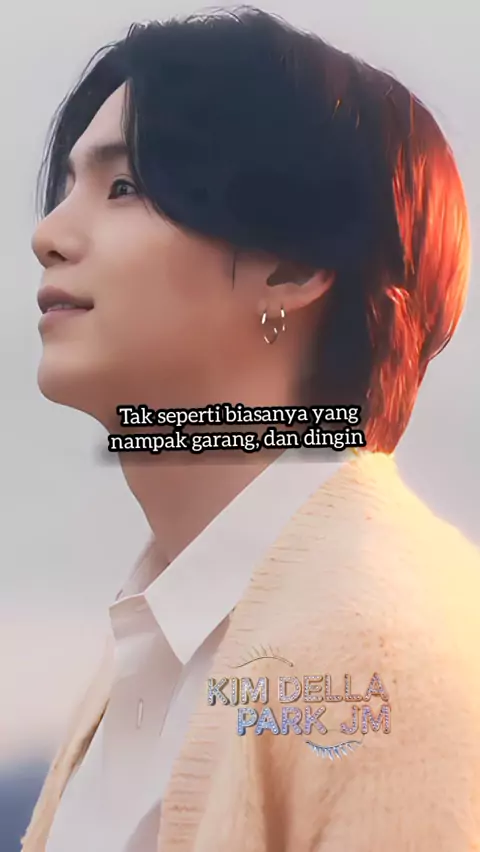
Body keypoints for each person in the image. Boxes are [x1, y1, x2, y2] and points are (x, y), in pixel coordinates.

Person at [23, 7, 480, 852]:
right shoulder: (158, 637)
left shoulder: (391, 654)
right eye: (65, 190)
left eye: (124, 188)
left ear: (294, 264)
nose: (47, 236)